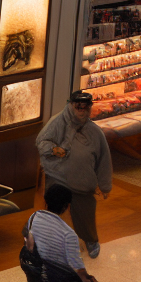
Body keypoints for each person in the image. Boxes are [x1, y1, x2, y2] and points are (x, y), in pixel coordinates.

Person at [37, 90, 113, 257]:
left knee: (85, 214)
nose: (81, 110)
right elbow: (41, 142)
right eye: (78, 106)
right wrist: (53, 149)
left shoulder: (95, 132)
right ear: (71, 105)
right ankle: (50, 244)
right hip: (58, 178)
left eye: (85, 107)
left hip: (82, 182)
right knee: (54, 213)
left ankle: (90, 239)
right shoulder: (57, 122)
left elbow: (104, 160)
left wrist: (105, 186)